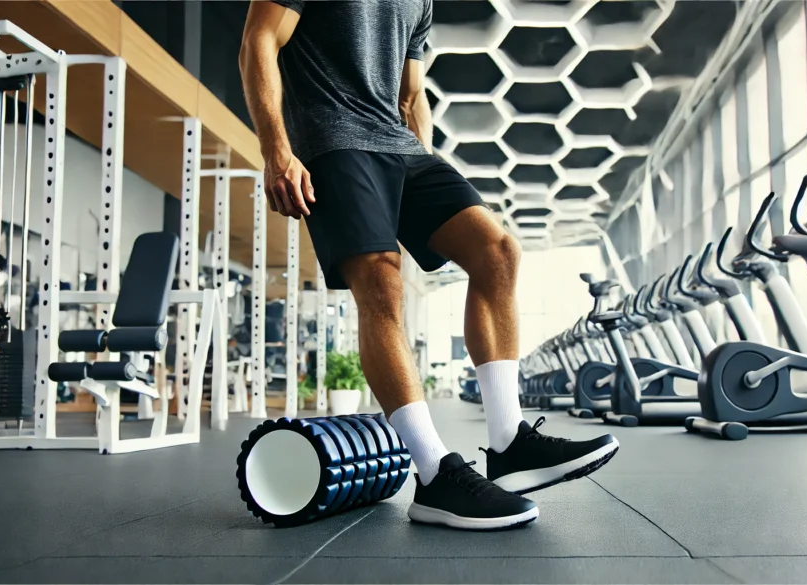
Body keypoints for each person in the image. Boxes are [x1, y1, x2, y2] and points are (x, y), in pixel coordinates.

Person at [239, 0, 618, 531]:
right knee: (381, 282)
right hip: (332, 142)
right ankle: (435, 476)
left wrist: (427, 163)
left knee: (497, 251)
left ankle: (509, 442)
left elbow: (410, 92)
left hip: (402, 148)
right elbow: (260, 39)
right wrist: (276, 149)